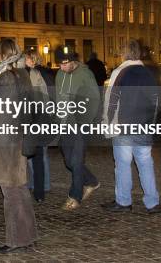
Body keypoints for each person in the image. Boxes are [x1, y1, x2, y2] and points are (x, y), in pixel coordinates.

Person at [0, 39, 37, 254]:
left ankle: (16, 240)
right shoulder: (23, 74)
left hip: (7, 143)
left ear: (1, 55)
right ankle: (28, 236)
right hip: (20, 139)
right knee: (20, 189)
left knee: (11, 192)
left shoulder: (5, 78)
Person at [102, 39, 161, 214]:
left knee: (122, 164)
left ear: (124, 53)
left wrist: (108, 123)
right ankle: (152, 202)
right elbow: (155, 100)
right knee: (145, 163)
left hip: (123, 126)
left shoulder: (120, 72)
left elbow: (111, 100)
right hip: (143, 126)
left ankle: (123, 201)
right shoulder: (148, 73)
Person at [55, 49, 101, 210]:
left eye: (64, 63)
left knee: (76, 160)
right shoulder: (60, 75)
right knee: (69, 161)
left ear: (72, 61)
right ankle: (92, 181)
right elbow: (57, 98)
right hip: (64, 123)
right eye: (59, 64)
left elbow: (95, 98)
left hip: (80, 123)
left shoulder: (85, 75)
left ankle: (75, 196)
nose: (61, 67)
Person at [24, 49, 52, 202]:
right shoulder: (42, 73)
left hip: (32, 120)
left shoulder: (30, 74)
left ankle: (35, 187)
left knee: (32, 156)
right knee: (40, 156)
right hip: (40, 119)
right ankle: (40, 190)